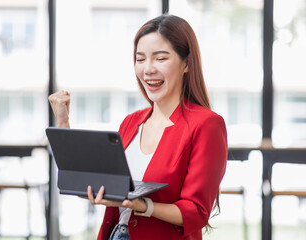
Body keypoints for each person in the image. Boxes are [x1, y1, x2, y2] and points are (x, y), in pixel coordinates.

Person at [49, 14, 227, 240]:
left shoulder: (206, 124)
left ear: (186, 63)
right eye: (140, 59)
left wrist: (143, 205)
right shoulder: (132, 122)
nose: (148, 69)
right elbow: (87, 183)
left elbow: (197, 211)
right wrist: (63, 124)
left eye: (160, 58)